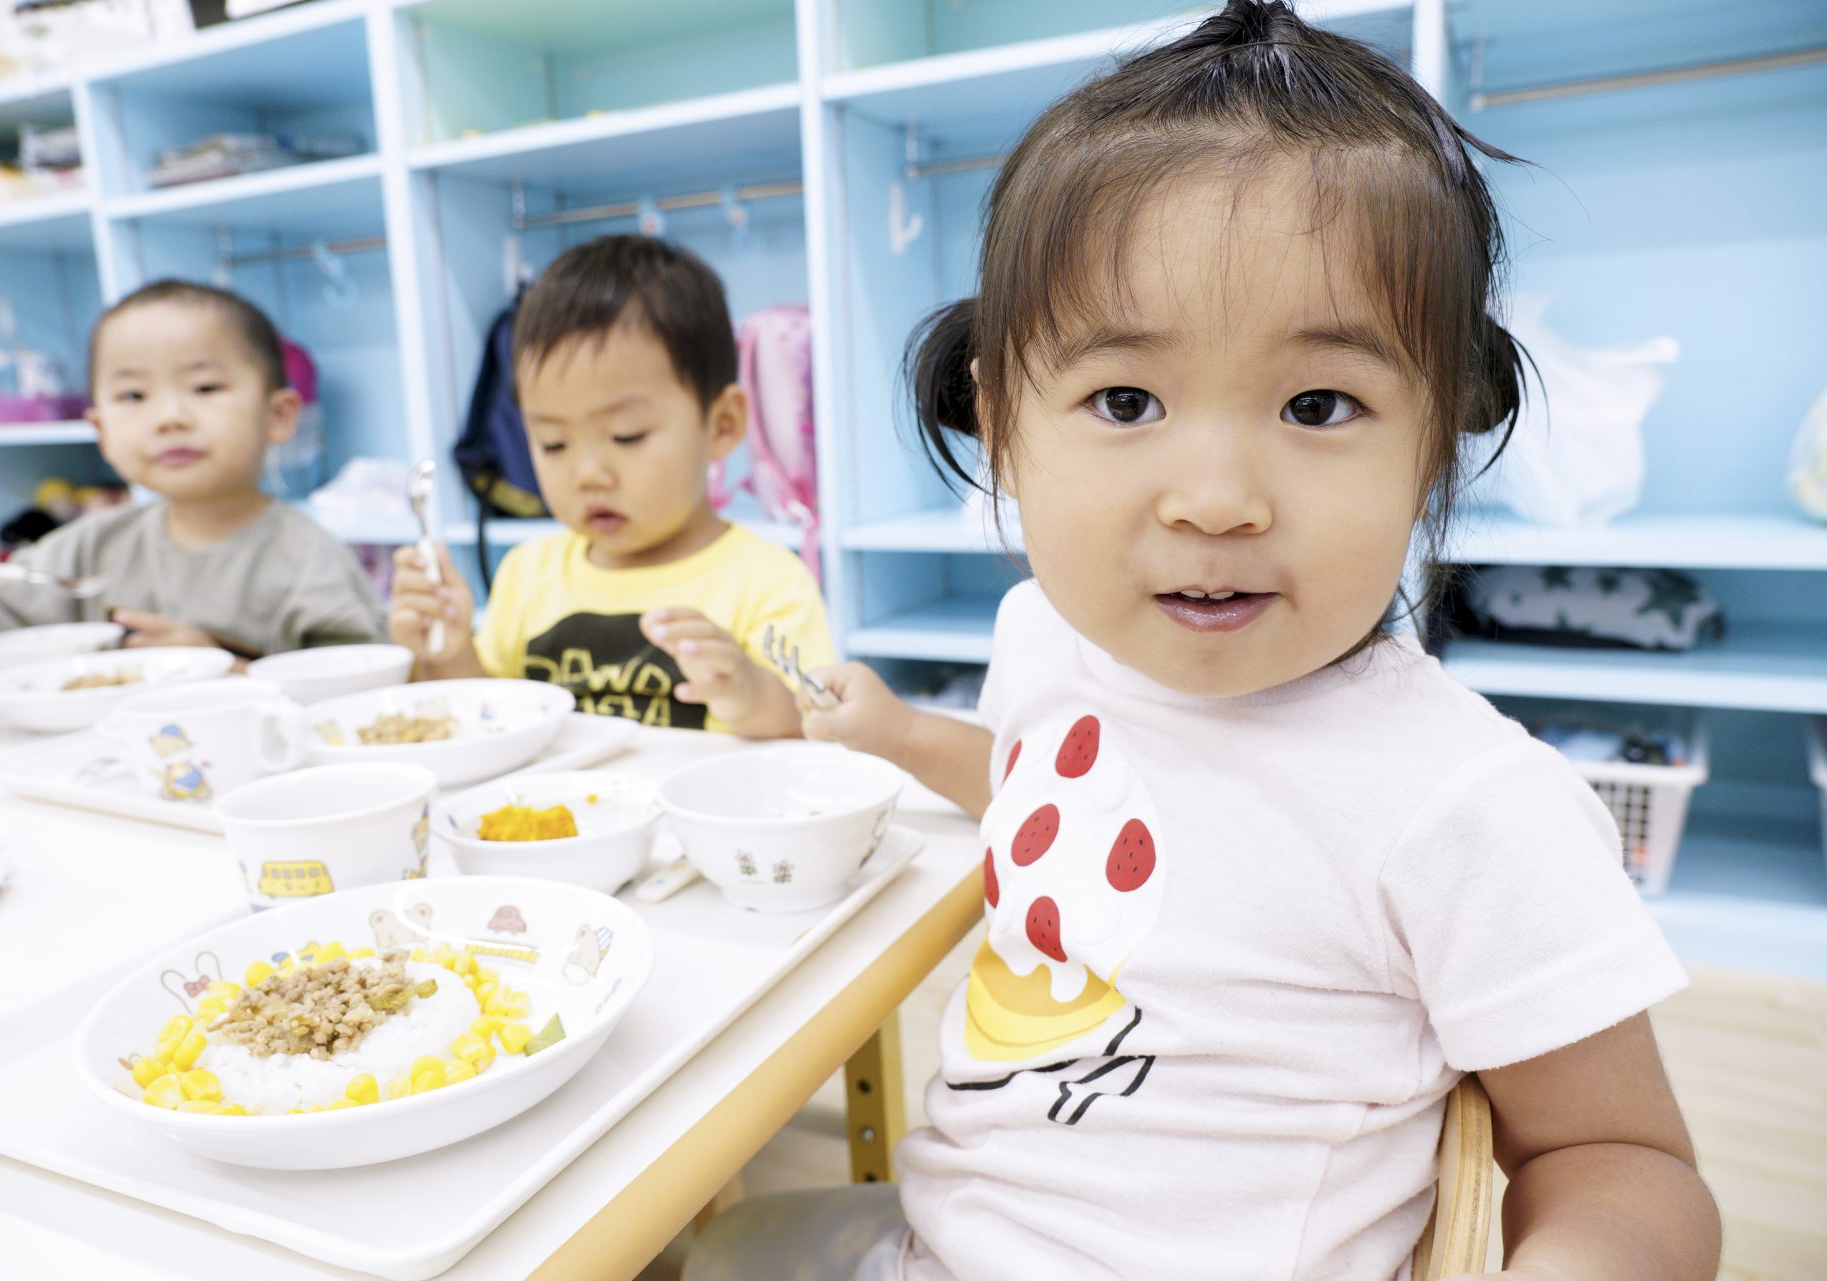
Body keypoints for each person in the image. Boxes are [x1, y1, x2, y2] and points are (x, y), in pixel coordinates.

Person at [692, 4, 1719, 1279]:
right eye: (1125, 400)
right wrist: (901, 736)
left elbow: (1625, 1165)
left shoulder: (1467, 805)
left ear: (1434, 441)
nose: (1216, 497)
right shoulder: (1044, 636)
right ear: (1001, 427)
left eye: (1319, 403)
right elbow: (1054, 789)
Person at [389, 236, 833, 737]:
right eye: (553, 443)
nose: (588, 474)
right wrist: (449, 654)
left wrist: (749, 693)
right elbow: (489, 721)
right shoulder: (528, 575)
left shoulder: (767, 580)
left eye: (627, 436)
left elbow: (813, 723)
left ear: (723, 424)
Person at [0, 280, 385, 659]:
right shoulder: (89, 547)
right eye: (133, 396)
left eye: (204, 387)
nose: (169, 417)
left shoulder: (308, 562)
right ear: (101, 431)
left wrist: (226, 669)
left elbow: (362, 697)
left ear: (278, 416)